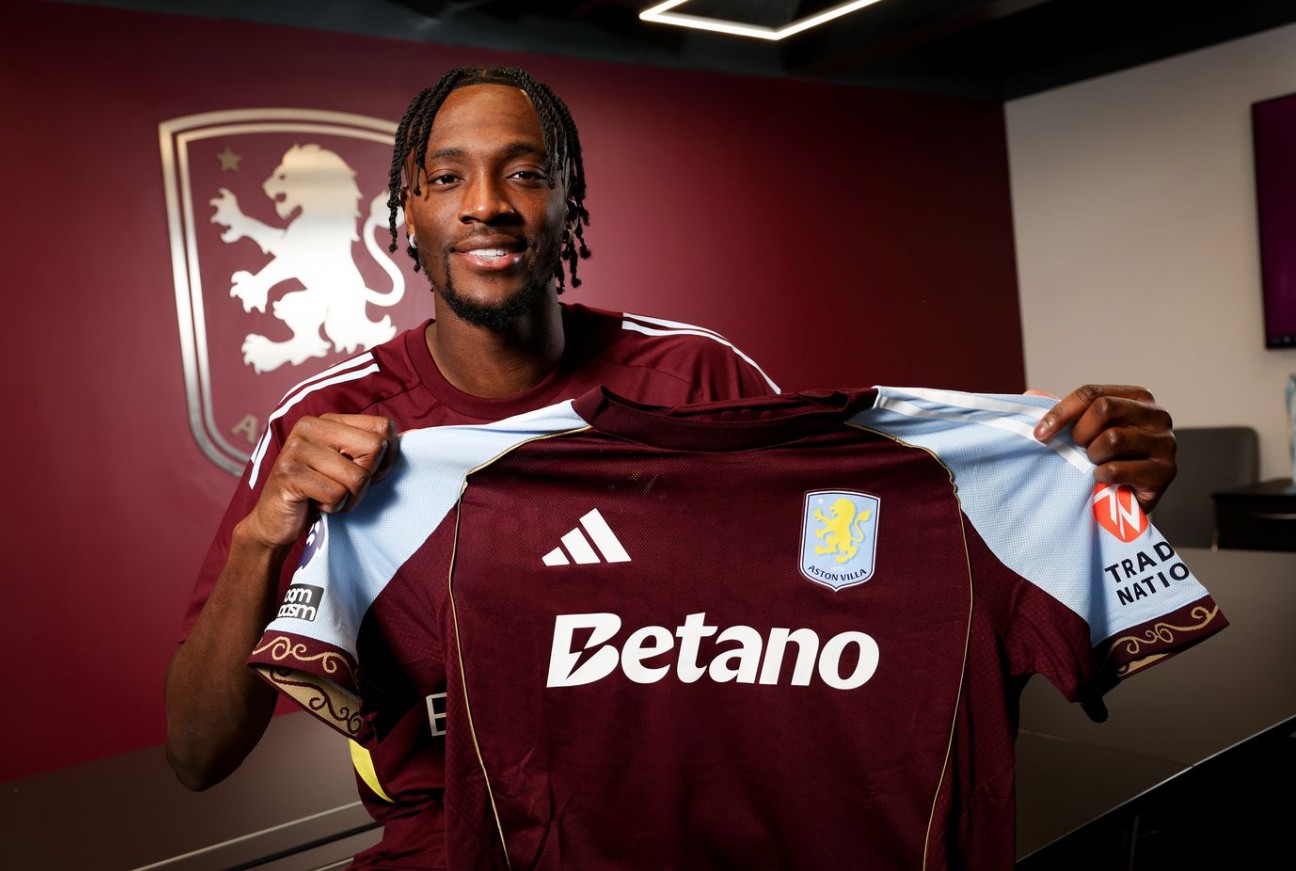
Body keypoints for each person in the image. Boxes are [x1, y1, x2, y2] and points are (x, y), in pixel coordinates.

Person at [165, 66, 1178, 864]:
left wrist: (1087, 491)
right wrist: (267, 534)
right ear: (407, 215)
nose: (487, 204)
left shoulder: (695, 376)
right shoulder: (330, 422)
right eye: (446, 177)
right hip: (454, 853)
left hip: (701, 839)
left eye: (526, 171)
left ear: (569, 206)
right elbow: (199, 753)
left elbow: (859, 583)